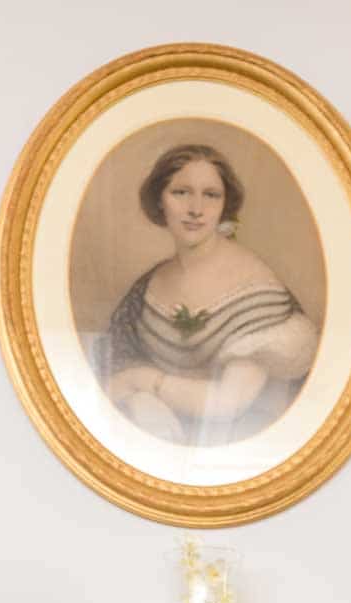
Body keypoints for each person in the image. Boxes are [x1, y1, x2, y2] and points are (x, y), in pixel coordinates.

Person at [102, 143, 320, 446]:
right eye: (181, 192)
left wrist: (145, 382)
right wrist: (140, 403)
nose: (195, 209)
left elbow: (225, 405)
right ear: (160, 201)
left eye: (211, 195)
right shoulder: (145, 290)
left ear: (224, 205)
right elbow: (111, 374)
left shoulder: (257, 288)